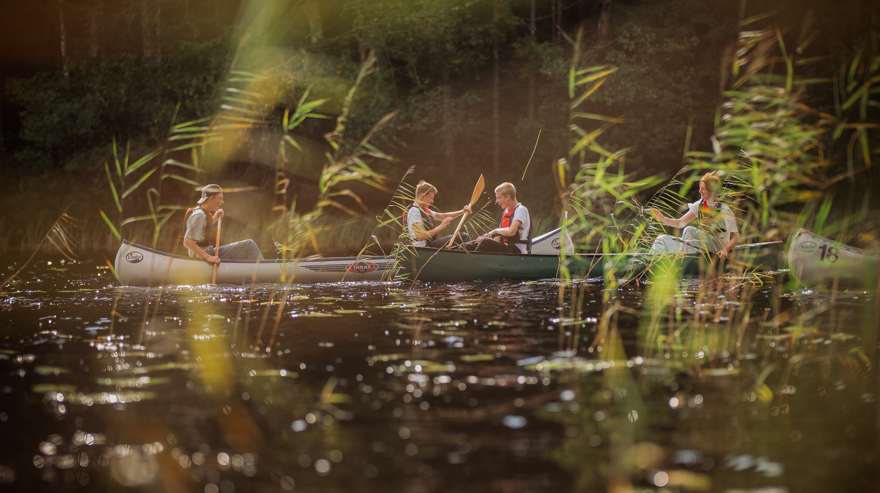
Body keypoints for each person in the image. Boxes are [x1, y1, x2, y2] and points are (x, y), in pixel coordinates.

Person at [647, 172, 740, 259]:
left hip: (717, 247)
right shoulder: (699, 205)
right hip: (701, 245)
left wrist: (725, 250)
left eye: (703, 189)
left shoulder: (724, 209)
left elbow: (736, 236)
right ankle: (648, 264)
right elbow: (680, 223)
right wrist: (662, 218)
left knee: (689, 230)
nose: (700, 191)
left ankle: (679, 261)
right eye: (700, 188)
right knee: (661, 239)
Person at [183, 184, 264, 263]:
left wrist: (215, 218)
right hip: (206, 255)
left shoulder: (199, 212)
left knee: (247, 248)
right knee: (249, 245)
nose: (222, 202)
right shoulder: (199, 215)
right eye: (220, 198)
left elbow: (202, 229)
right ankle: (264, 268)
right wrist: (208, 258)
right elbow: (187, 241)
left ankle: (254, 269)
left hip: (205, 254)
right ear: (212, 198)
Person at [460, 182, 532, 254]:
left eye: (498, 198)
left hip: (518, 250)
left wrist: (495, 231)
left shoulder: (521, 210)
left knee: (485, 242)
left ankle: (473, 260)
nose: (496, 201)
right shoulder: (505, 212)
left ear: (507, 197)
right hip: (506, 246)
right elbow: (501, 236)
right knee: (466, 246)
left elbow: (511, 232)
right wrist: (488, 237)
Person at [404, 180, 473, 248]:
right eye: (431, 198)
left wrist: (462, 212)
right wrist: (440, 227)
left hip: (429, 244)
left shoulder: (422, 210)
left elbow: (443, 216)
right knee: (463, 236)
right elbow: (420, 236)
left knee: (460, 241)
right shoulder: (414, 211)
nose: (432, 201)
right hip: (423, 247)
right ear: (422, 196)